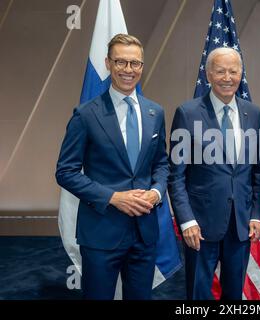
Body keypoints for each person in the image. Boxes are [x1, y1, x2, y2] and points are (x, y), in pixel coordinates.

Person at [55, 34, 168, 300]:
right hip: (101, 235)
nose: (128, 70)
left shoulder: (156, 112)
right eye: (121, 62)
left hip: (144, 234)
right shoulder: (86, 114)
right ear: (107, 63)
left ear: (142, 66)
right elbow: (65, 171)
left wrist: (156, 193)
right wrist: (113, 198)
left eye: (135, 63)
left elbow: (161, 164)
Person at [168, 47, 260, 300]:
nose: (227, 77)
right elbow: (176, 175)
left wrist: (258, 214)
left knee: (234, 295)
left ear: (241, 74)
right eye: (220, 71)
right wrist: (187, 220)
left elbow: (259, 171)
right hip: (199, 226)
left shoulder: (254, 113)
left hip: (241, 224)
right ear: (208, 74)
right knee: (198, 294)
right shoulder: (187, 113)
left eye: (233, 71)